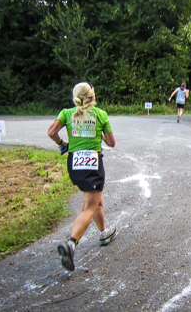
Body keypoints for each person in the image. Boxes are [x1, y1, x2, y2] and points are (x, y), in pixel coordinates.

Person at [47, 82, 117, 271]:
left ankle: (103, 233)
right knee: (88, 207)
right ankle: (71, 244)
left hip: (74, 165)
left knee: (96, 201)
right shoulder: (100, 114)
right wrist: (99, 132)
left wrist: (62, 142)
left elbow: (51, 132)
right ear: (92, 97)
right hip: (93, 165)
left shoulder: (66, 113)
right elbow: (111, 143)